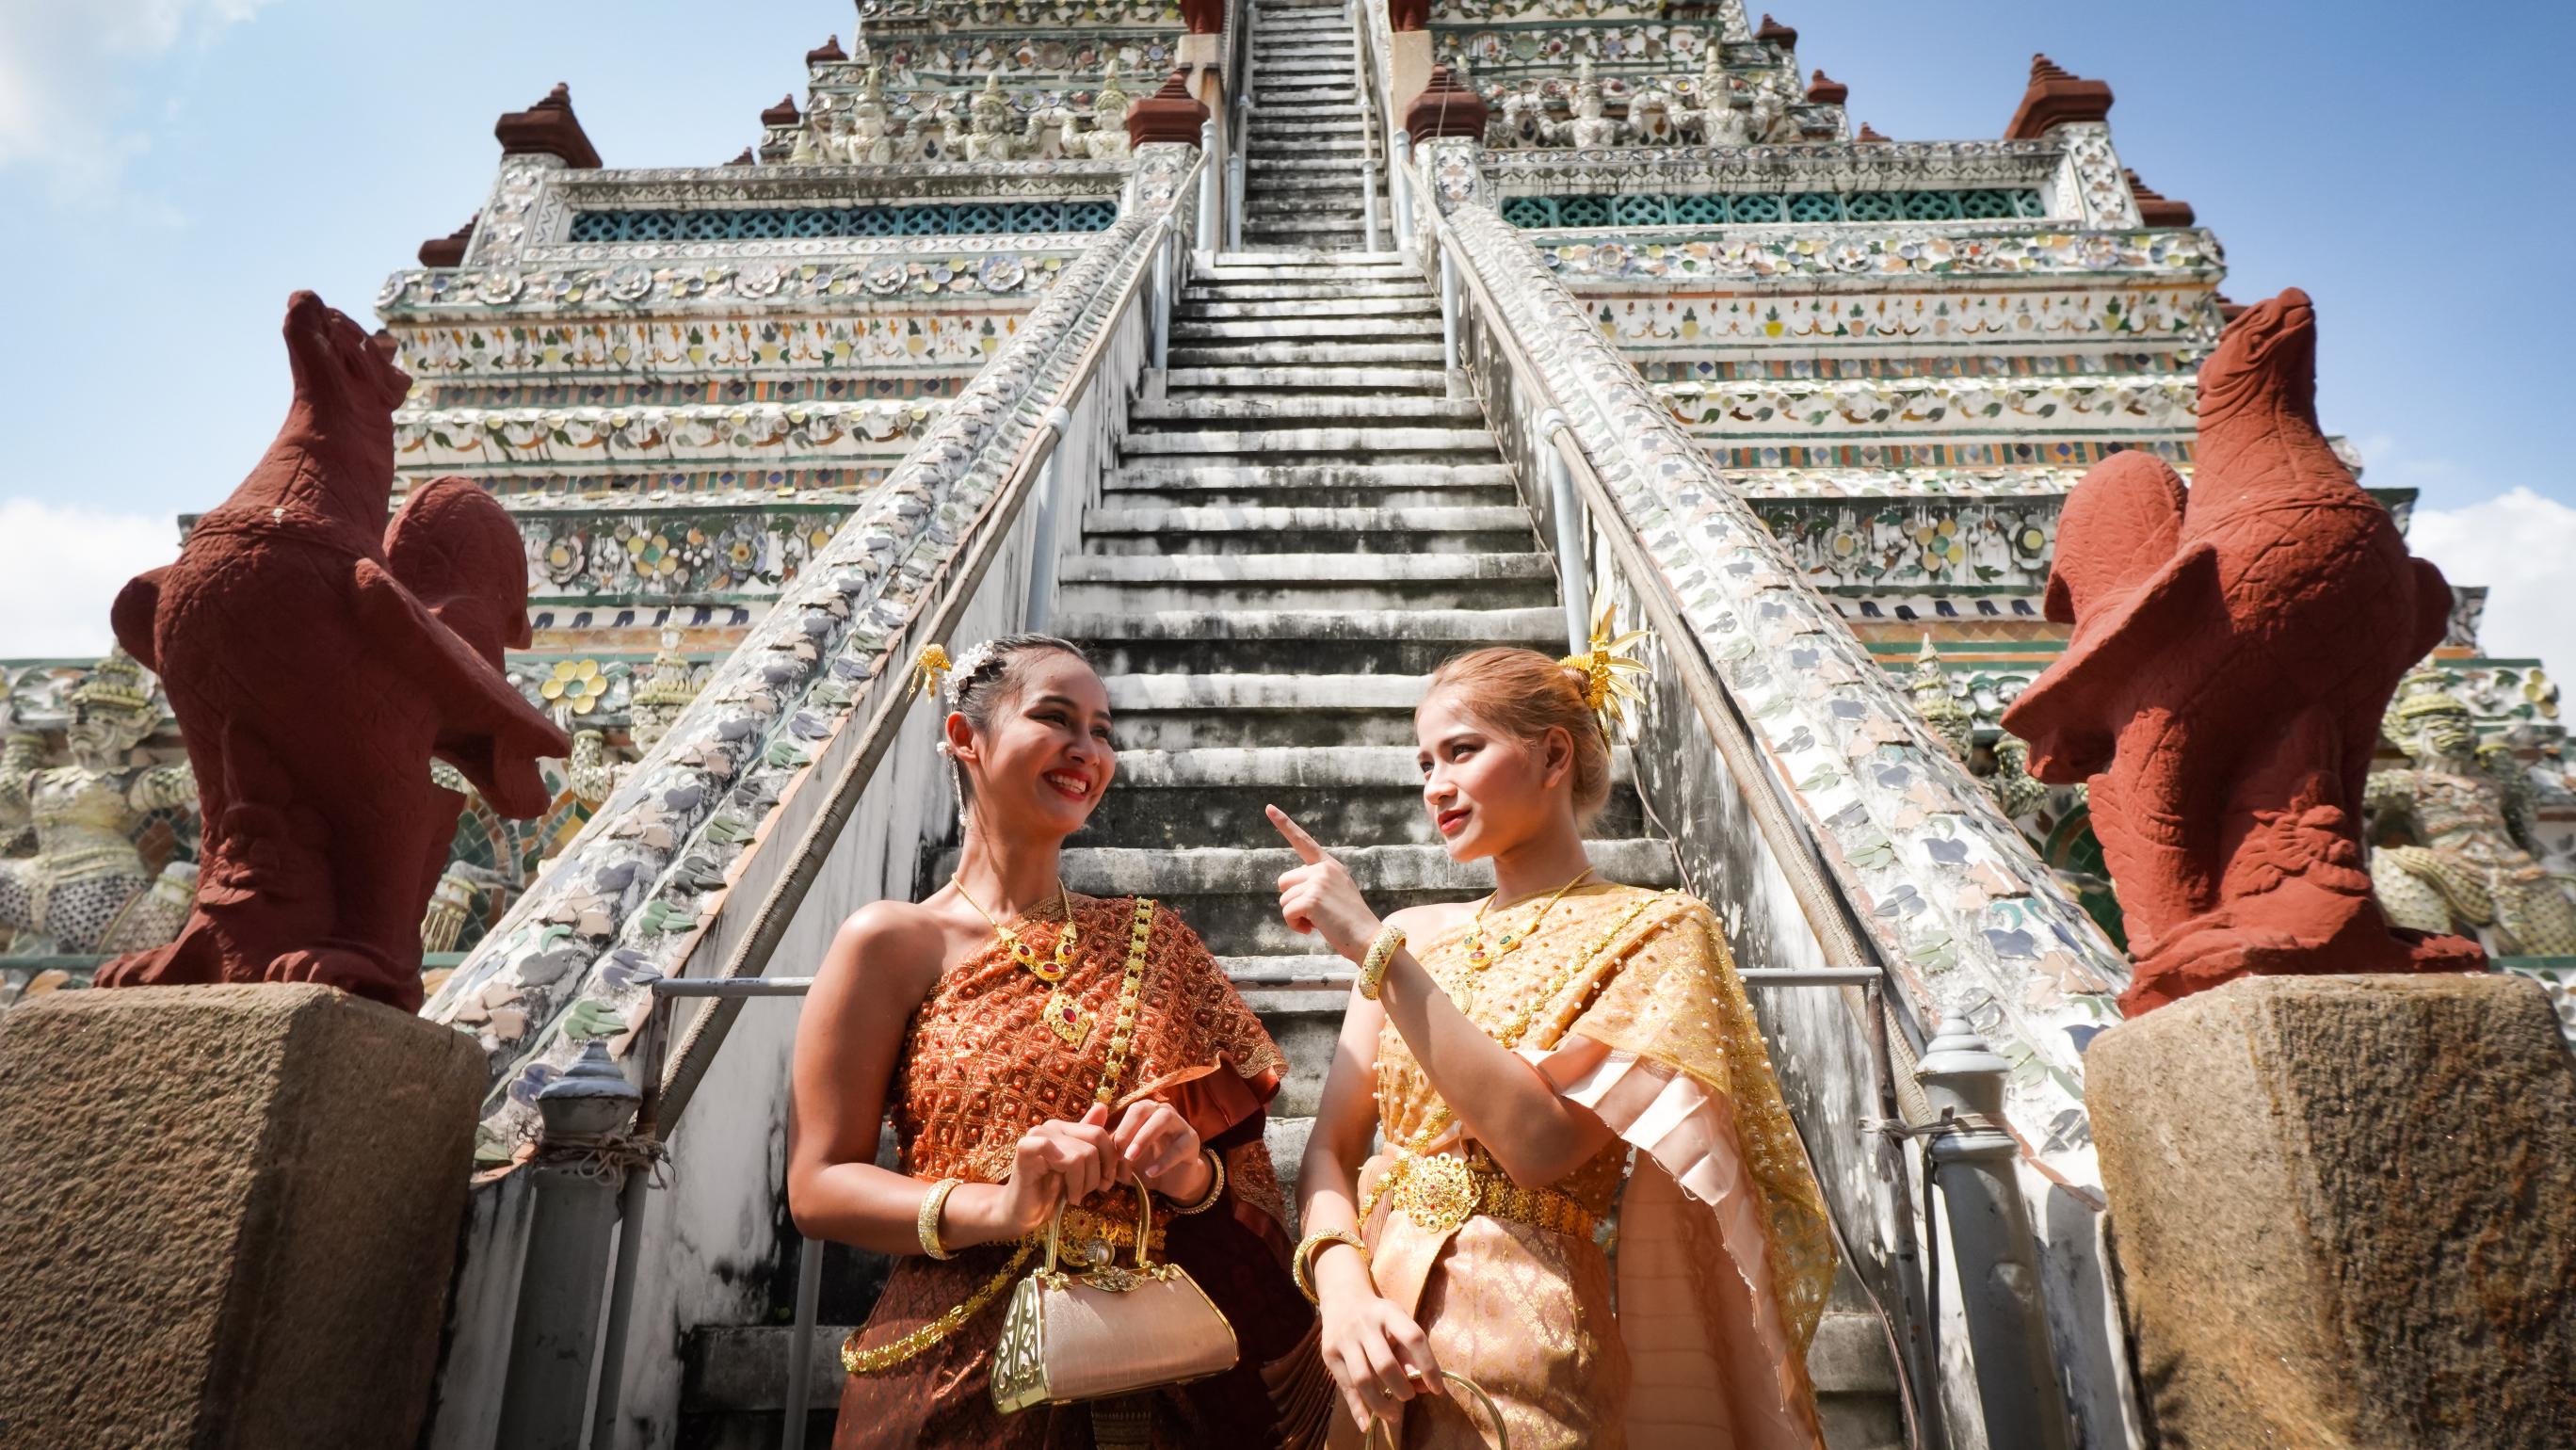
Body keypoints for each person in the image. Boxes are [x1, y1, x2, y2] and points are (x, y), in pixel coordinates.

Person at [1276, 642, 1838, 1449]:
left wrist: (1370, 945)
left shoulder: (1656, 931)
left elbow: (1539, 1145)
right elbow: (1330, 1148)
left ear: (1553, 754)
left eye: (1462, 751)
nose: (1437, 785)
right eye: (1424, 763)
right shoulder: (1411, 935)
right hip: (1372, 1336)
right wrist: (1340, 1289)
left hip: (1531, 1343)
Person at [789, 635, 1324, 1449]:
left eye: (1104, 731)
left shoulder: (1154, 941)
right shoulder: (893, 942)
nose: (1088, 750)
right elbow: (820, 1185)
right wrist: (998, 1207)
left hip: (1157, 1358)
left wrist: (1190, 1175)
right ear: (966, 740)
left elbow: (1247, 1177)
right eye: (1055, 718)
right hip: (955, 1365)